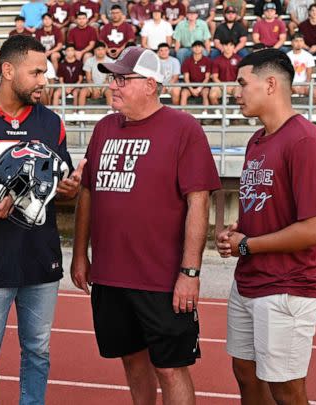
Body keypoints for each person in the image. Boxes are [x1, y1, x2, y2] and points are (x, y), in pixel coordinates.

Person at [71, 45, 221, 405]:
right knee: (132, 362)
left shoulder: (184, 128)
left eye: (122, 78)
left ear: (151, 84)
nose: (113, 85)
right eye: (112, 78)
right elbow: (88, 193)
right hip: (110, 275)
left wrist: (190, 271)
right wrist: (80, 255)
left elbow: (198, 202)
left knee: (170, 369)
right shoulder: (105, 127)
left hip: (161, 278)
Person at [0, 35, 84, 405]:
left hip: (40, 257)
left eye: (46, 72)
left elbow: (61, 180)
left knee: (38, 350)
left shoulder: (52, 123)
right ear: (7, 71)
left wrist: (69, 186)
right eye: (36, 72)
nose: (45, 80)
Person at [216, 48, 316, 405]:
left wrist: (246, 244)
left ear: (270, 84)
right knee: (245, 373)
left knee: (285, 388)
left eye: (242, 83)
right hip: (251, 279)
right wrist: (240, 230)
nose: (236, 92)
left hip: (288, 286)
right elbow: (269, 206)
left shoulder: (305, 141)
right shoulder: (257, 139)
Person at [287, 33, 316, 105]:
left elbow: (309, 74)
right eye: (296, 41)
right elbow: (286, 74)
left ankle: (310, 112)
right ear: (292, 43)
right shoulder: (287, 56)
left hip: (304, 84)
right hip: (291, 85)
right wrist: (292, 86)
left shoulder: (308, 56)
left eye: (301, 41)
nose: (299, 43)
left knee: (315, 93)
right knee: (283, 93)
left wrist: (305, 85)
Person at [78, 41, 114, 107]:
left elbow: (109, 78)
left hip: (105, 85)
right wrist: (94, 88)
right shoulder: (89, 61)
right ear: (94, 51)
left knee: (109, 92)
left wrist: (102, 88)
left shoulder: (110, 61)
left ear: (105, 50)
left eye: (102, 49)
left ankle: (110, 112)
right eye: (98, 49)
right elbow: (88, 78)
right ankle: (81, 112)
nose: (101, 51)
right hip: (92, 85)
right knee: (83, 92)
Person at [209, 39, 241, 108]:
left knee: (240, 94)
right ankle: (218, 113)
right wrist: (224, 87)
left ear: (234, 47)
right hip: (220, 84)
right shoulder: (217, 60)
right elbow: (215, 77)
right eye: (226, 45)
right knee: (212, 95)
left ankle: (235, 114)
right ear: (222, 47)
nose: (228, 47)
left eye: (231, 45)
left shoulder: (239, 59)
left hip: (235, 83)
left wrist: (234, 85)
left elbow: (240, 76)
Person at [180, 40, 212, 109]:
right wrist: (191, 89)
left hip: (203, 86)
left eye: (199, 46)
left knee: (205, 93)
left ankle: (205, 114)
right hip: (190, 86)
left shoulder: (207, 61)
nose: (197, 48)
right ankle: (182, 115)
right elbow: (186, 78)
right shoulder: (187, 61)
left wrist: (199, 88)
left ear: (203, 48)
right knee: (184, 93)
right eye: (195, 47)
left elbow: (207, 78)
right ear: (192, 49)